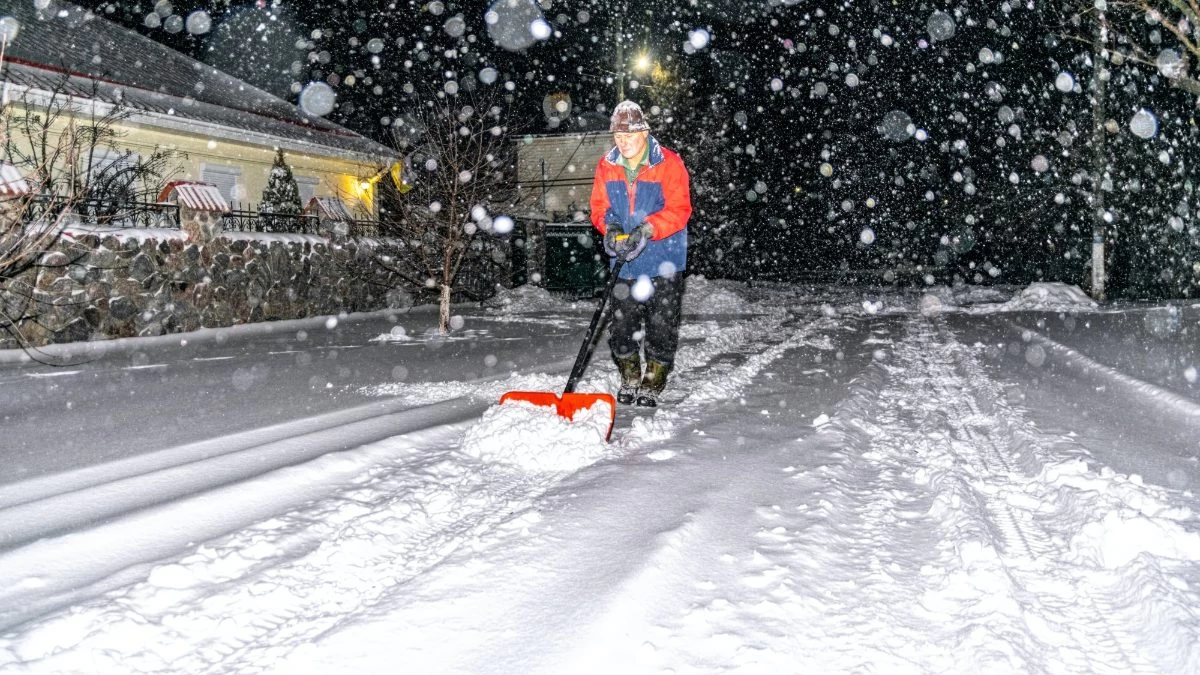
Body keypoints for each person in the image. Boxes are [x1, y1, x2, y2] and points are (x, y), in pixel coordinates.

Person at [589, 100, 692, 407]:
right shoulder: (606, 166)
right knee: (621, 325)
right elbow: (599, 208)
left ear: (644, 132)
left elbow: (680, 210)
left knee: (661, 324)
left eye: (629, 136)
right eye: (618, 136)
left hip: (664, 260)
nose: (623, 142)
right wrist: (610, 227)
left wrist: (647, 229)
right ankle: (630, 374)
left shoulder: (669, 164)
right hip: (624, 262)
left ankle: (655, 378)